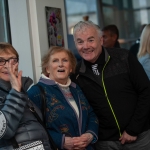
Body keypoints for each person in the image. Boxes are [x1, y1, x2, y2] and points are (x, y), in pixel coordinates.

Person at [71, 21, 150, 150]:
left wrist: (133, 129)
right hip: (105, 143)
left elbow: (146, 91)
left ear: (101, 40)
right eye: (80, 42)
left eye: (91, 40)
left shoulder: (124, 58)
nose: (85, 46)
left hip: (139, 137)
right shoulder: (76, 74)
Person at [27, 46, 99, 150]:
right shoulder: (36, 92)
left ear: (70, 67)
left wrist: (90, 135)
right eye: (55, 61)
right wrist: (61, 141)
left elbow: (91, 114)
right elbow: (31, 128)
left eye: (65, 60)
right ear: (47, 68)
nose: (60, 64)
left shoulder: (76, 88)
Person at [0, 42, 51, 150]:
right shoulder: (16, 91)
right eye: (1, 61)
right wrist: (16, 91)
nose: (7, 65)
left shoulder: (23, 90)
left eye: (12, 60)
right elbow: (4, 131)